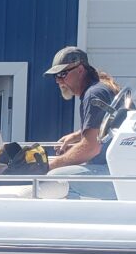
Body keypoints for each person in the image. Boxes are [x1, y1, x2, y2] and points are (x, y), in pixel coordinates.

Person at [43, 46, 121, 200]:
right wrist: (77, 135)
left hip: (114, 174)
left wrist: (48, 167)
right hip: (119, 170)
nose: (59, 81)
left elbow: (90, 148)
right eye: (56, 76)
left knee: (55, 177)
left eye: (62, 74)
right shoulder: (102, 88)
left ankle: (72, 222)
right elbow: (105, 127)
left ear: (80, 70)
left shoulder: (93, 95)